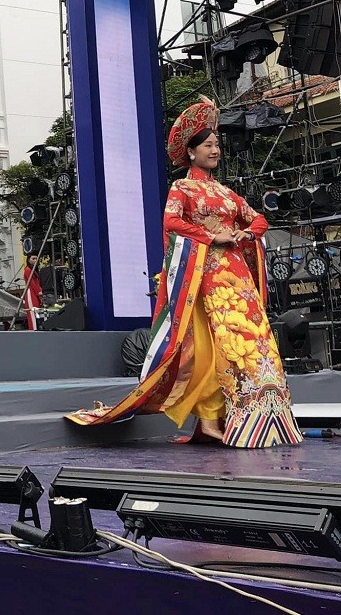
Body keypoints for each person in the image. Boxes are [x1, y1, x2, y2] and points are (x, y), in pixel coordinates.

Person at [66, 99, 302, 447]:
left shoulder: (227, 192)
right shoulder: (183, 189)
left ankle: (250, 419)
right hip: (203, 277)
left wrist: (246, 233)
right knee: (211, 350)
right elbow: (171, 222)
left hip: (237, 279)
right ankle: (208, 421)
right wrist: (212, 235)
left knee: (251, 347)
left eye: (217, 144)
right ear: (191, 152)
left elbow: (259, 219)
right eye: (208, 145)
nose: (215, 150)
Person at [22, 254, 42, 330]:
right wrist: (39, 292)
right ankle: (34, 329)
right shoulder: (27, 269)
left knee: (36, 311)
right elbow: (32, 283)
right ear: (28, 260)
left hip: (35, 292)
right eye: (33, 258)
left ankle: (36, 328)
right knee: (33, 311)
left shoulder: (34, 270)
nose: (35, 260)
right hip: (31, 293)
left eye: (36, 258)